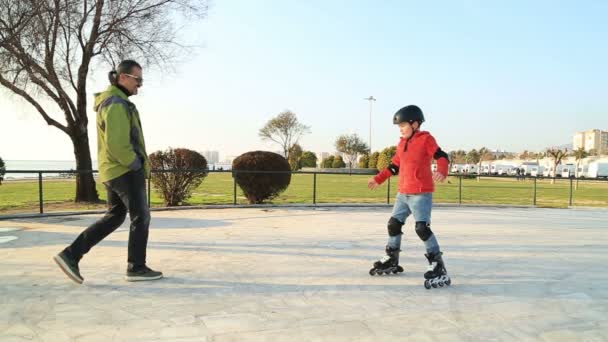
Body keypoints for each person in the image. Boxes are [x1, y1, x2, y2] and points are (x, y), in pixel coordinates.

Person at [53, 60, 162, 284]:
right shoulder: (116, 104)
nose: (139, 85)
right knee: (141, 216)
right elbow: (117, 143)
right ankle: (136, 268)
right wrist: (136, 164)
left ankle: (71, 255)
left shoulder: (115, 102)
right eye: (137, 80)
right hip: (124, 170)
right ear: (123, 77)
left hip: (113, 170)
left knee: (114, 216)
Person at [367, 105, 451, 289]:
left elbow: (441, 156)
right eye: (399, 127)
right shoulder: (401, 143)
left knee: (422, 228)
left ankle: (438, 264)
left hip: (421, 193)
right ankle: (391, 258)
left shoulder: (426, 139)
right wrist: (378, 179)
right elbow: (394, 167)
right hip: (403, 193)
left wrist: (442, 171)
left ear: (415, 124)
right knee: (393, 224)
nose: (401, 129)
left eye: (403, 125)